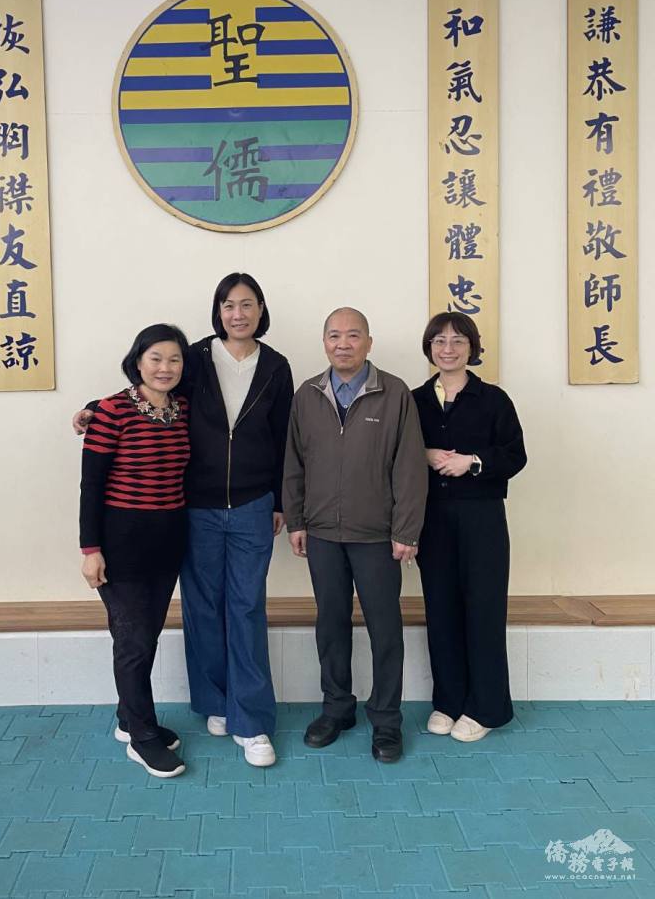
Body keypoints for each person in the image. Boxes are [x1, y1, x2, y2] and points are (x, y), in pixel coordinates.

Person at [74, 274, 293, 768]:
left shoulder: (276, 366)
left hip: (252, 504)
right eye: (228, 305)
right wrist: (93, 408)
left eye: (247, 304)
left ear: (261, 310)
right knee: (202, 608)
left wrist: (281, 500)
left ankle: (250, 720)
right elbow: (149, 387)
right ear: (218, 311)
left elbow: (283, 436)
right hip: (195, 509)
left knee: (246, 608)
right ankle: (213, 703)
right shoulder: (194, 357)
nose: (238, 314)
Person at [282, 308, 427, 764]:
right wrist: (297, 520)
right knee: (330, 623)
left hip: (378, 537)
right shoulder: (307, 395)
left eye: (352, 335)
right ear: (324, 342)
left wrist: (406, 530)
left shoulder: (395, 393)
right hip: (323, 533)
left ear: (368, 342)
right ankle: (337, 709)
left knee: (385, 629)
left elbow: (410, 468)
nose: (342, 343)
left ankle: (386, 719)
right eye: (334, 335)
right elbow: (293, 464)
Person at [79, 324, 191, 779]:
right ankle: (142, 738)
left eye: (174, 359)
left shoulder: (183, 409)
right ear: (138, 361)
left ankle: (130, 717)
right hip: (120, 544)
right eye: (156, 358)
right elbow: (91, 486)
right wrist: (91, 550)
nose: (165, 368)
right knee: (133, 640)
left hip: (168, 541)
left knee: (147, 635)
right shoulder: (111, 412)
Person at [412, 312, 527, 742]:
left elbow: (515, 455)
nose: (448, 349)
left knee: (483, 609)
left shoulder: (493, 399)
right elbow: (396, 452)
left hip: (482, 518)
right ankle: (449, 701)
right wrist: (424, 454)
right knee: (440, 609)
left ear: (472, 348)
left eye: (458, 341)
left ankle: (486, 708)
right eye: (440, 341)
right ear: (429, 348)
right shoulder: (414, 400)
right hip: (433, 518)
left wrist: (473, 462)